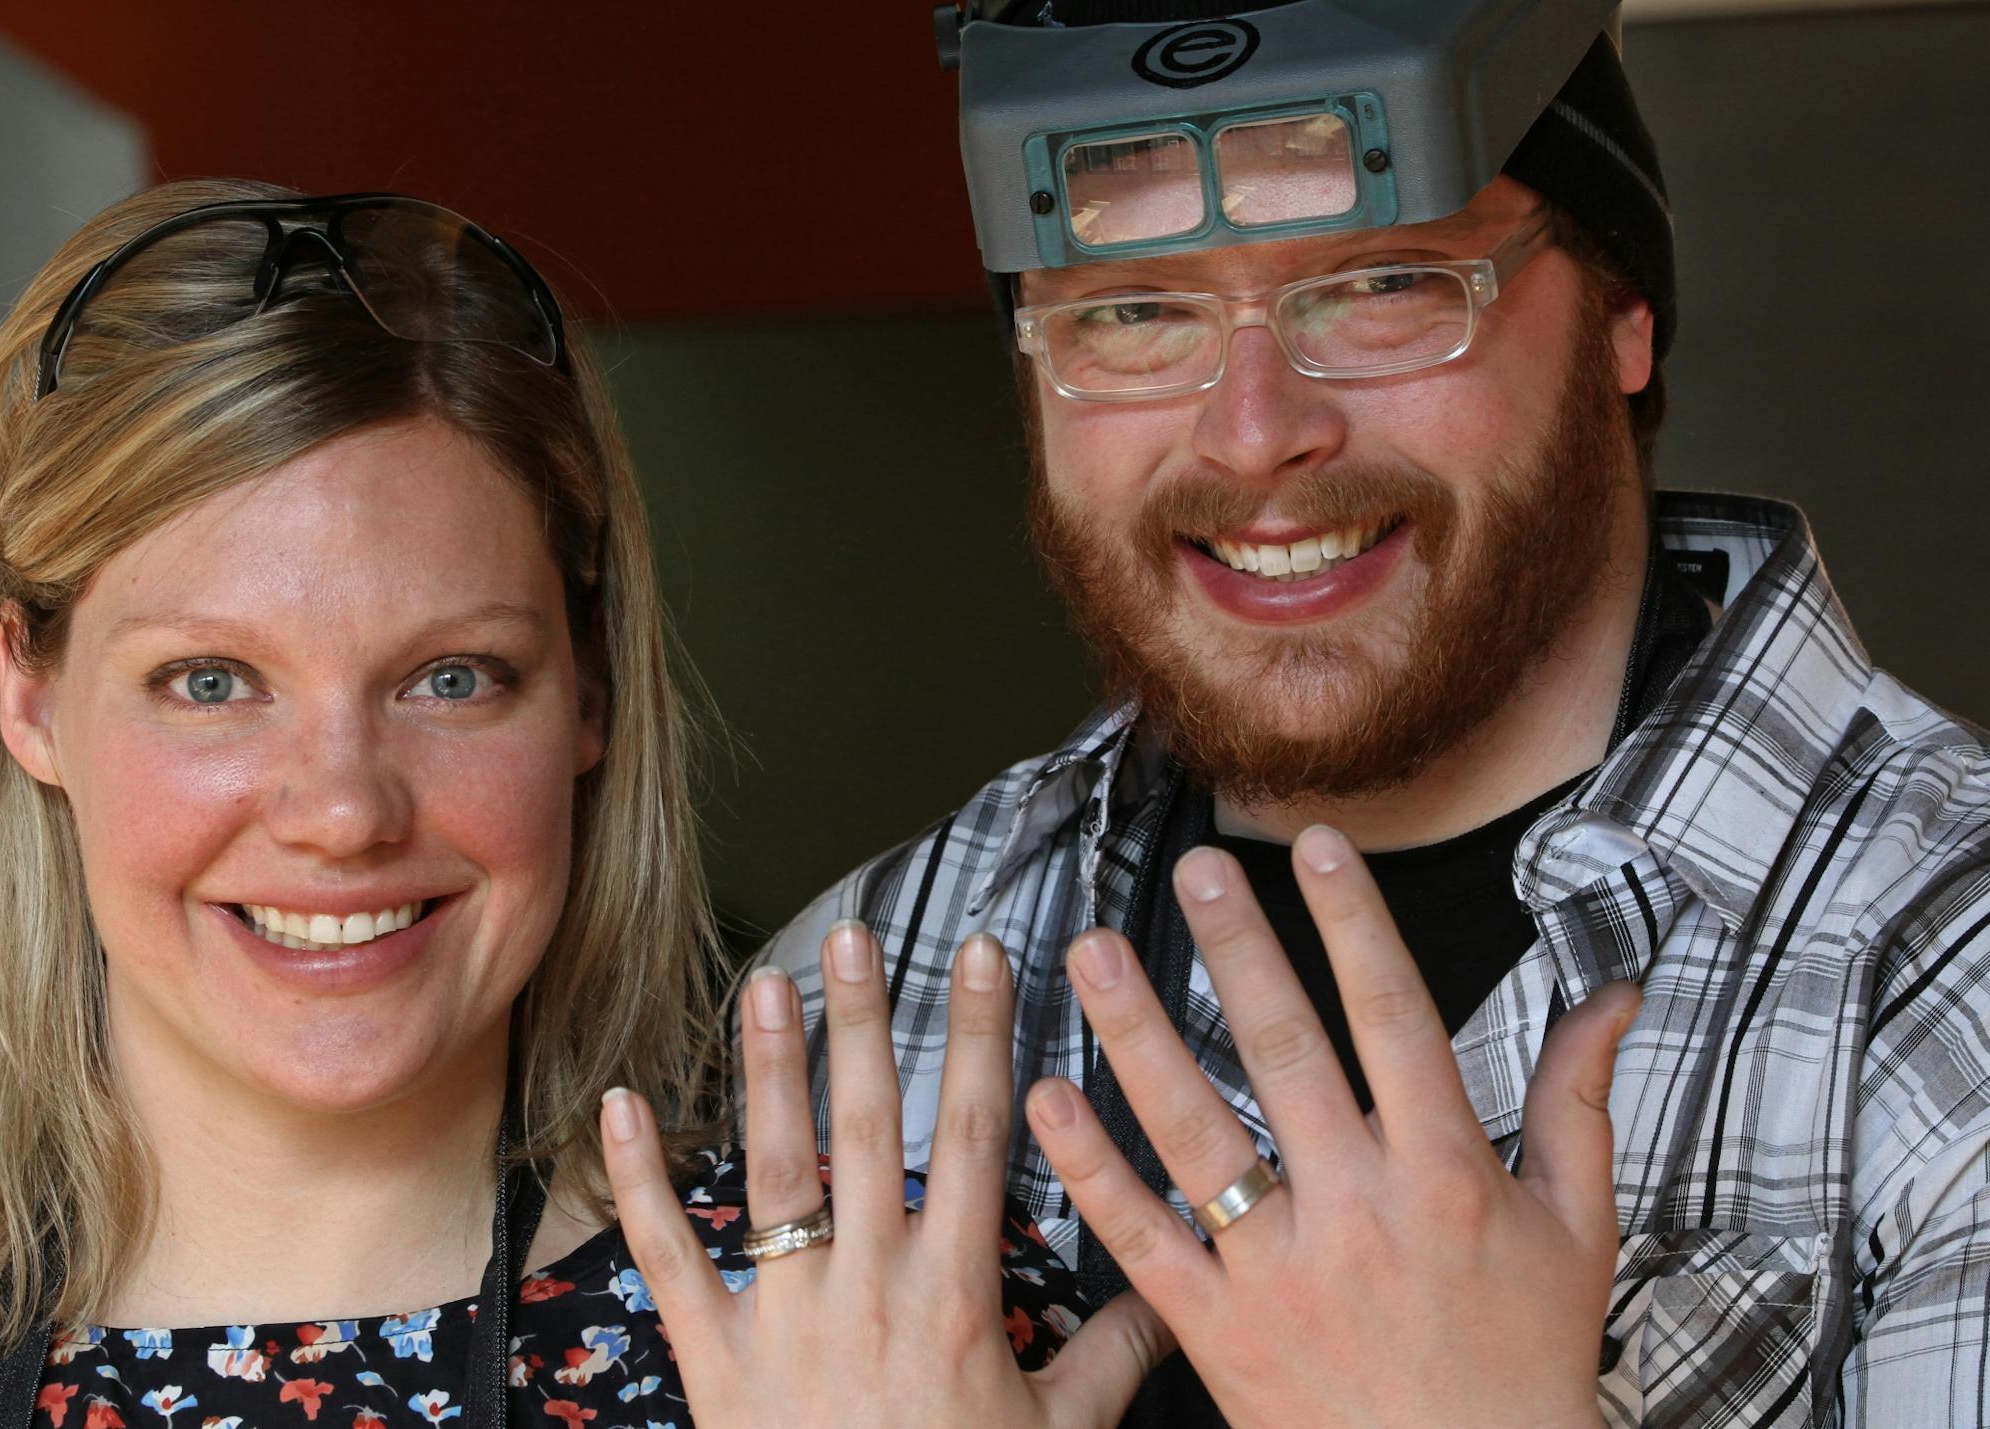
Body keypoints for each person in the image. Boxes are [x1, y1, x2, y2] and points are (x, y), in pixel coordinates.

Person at [754, 3, 1990, 1424]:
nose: (1259, 427)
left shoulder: (1944, 989)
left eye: (1385, 280)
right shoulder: (857, 998)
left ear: (1622, 318)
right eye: (1134, 309)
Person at [0, 179, 1078, 1429]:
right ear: (30, 696)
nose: (342, 812)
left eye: (451, 678)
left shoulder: (901, 1327)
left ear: (588, 687)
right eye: (210, 681)